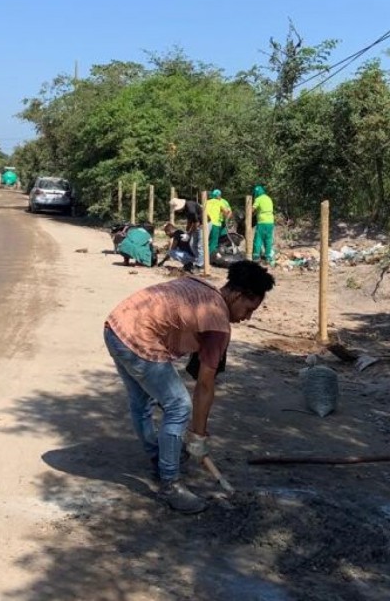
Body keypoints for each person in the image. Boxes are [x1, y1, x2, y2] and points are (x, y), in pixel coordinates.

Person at [104, 261, 275, 513]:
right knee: (179, 406)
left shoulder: (203, 287)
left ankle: (158, 456)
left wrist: (197, 433)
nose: (247, 317)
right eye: (248, 309)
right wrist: (198, 435)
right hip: (138, 337)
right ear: (237, 295)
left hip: (115, 326)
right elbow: (205, 384)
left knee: (141, 403)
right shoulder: (217, 323)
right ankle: (170, 484)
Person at [205, 189, 232, 258]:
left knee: (206, 240)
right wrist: (222, 214)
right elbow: (227, 211)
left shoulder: (206, 202)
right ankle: (211, 256)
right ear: (218, 196)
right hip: (216, 224)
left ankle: (205, 256)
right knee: (214, 241)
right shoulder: (219, 202)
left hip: (206, 224)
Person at [252, 185, 276, 263]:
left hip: (262, 222)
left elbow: (252, 209)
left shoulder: (258, 199)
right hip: (270, 222)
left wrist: (248, 215)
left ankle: (256, 257)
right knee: (268, 239)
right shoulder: (268, 198)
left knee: (258, 239)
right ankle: (268, 257)